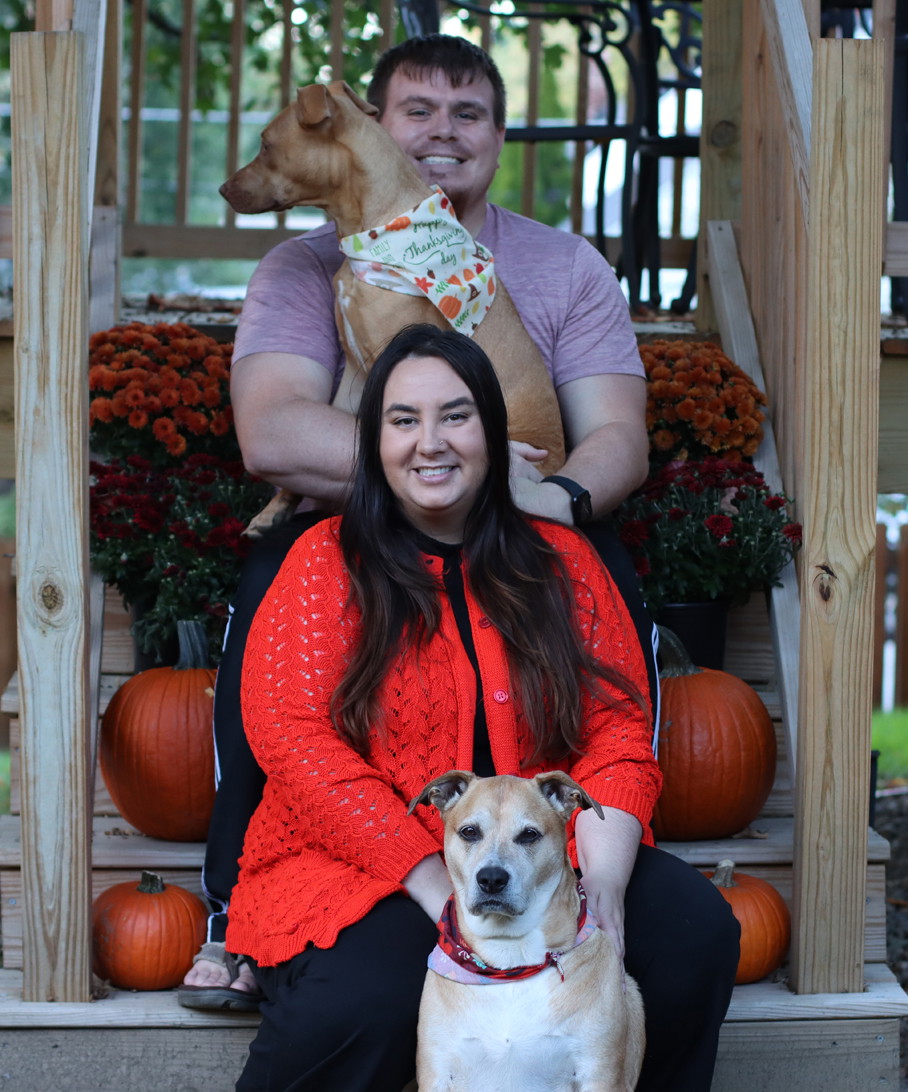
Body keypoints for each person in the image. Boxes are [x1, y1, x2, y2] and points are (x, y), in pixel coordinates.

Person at [178, 32, 658, 1008]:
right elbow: (271, 431)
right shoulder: (306, 265)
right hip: (361, 535)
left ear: (498, 134)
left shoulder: (563, 265)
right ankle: (233, 906)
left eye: (468, 112)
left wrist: (550, 498)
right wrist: (433, 468)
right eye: (418, 111)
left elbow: (615, 435)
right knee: (272, 590)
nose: (443, 133)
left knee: (607, 587)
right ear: (371, 129)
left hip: (522, 526)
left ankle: (608, 858)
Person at [226, 324, 738, 1091]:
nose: (430, 443)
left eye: (455, 416)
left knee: (693, 935)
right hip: (365, 868)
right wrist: (435, 881)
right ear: (374, 442)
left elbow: (619, 726)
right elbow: (293, 742)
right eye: (403, 420)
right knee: (364, 1005)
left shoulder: (563, 563)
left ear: (495, 434)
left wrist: (601, 871)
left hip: (545, 859)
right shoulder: (324, 563)